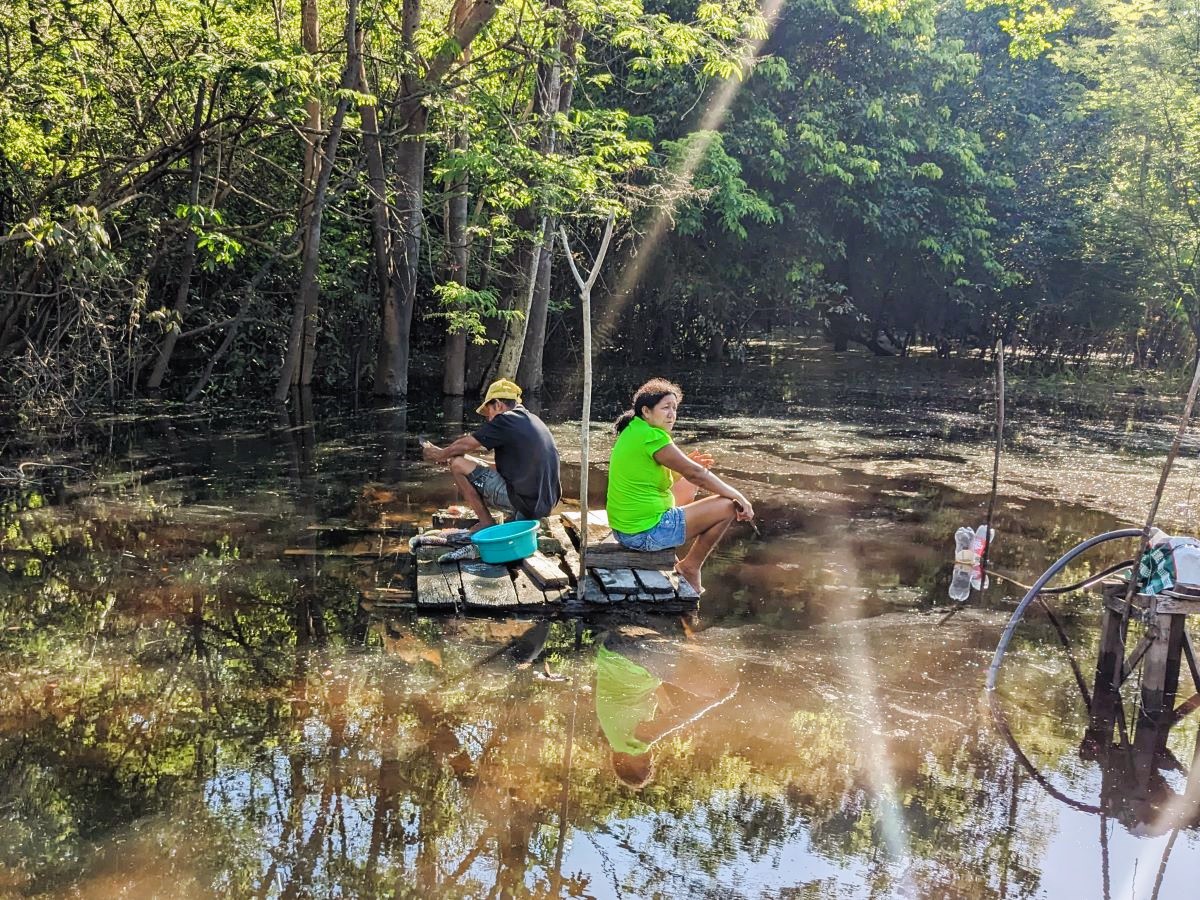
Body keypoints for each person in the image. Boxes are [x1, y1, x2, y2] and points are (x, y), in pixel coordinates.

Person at [606, 378, 754, 593]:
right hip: (643, 534)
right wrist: (738, 495)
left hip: (625, 529)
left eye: (674, 408)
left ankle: (686, 561)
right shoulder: (652, 437)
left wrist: (683, 470)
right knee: (727, 505)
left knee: (688, 485)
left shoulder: (634, 429)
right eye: (665, 407)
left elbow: (653, 478)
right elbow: (696, 474)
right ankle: (690, 566)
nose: (671, 414)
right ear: (646, 411)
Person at [422, 378, 561, 532]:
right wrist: (459, 458)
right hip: (544, 504)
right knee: (460, 460)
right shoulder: (532, 421)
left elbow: (466, 444)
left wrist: (440, 454)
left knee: (457, 465)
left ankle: (486, 522)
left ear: (498, 404)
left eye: (489, 413)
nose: (488, 419)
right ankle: (512, 516)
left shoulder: (506, 419)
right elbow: (507, 470)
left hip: (526, 504)